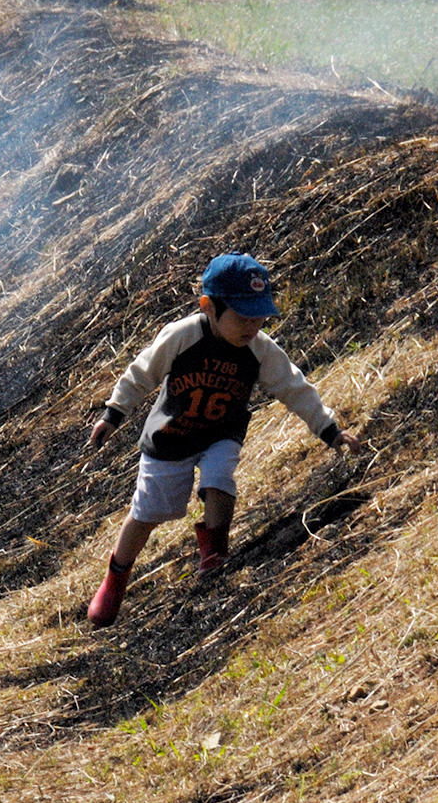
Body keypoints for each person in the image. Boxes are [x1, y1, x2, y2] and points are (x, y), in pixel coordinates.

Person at [83, 252, 365, 626]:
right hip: (171, 437)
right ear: (209, 307)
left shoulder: (260, 349)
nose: (252, 326)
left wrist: (329, 430)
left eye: (259, 316)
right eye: (242, 316)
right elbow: (141, 374)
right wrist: (113, 413)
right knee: (148, 513)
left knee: (219, 478)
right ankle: (117, 576)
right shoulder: (182, 336)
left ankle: (214, 554)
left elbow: (293, 387)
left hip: (221, 431)